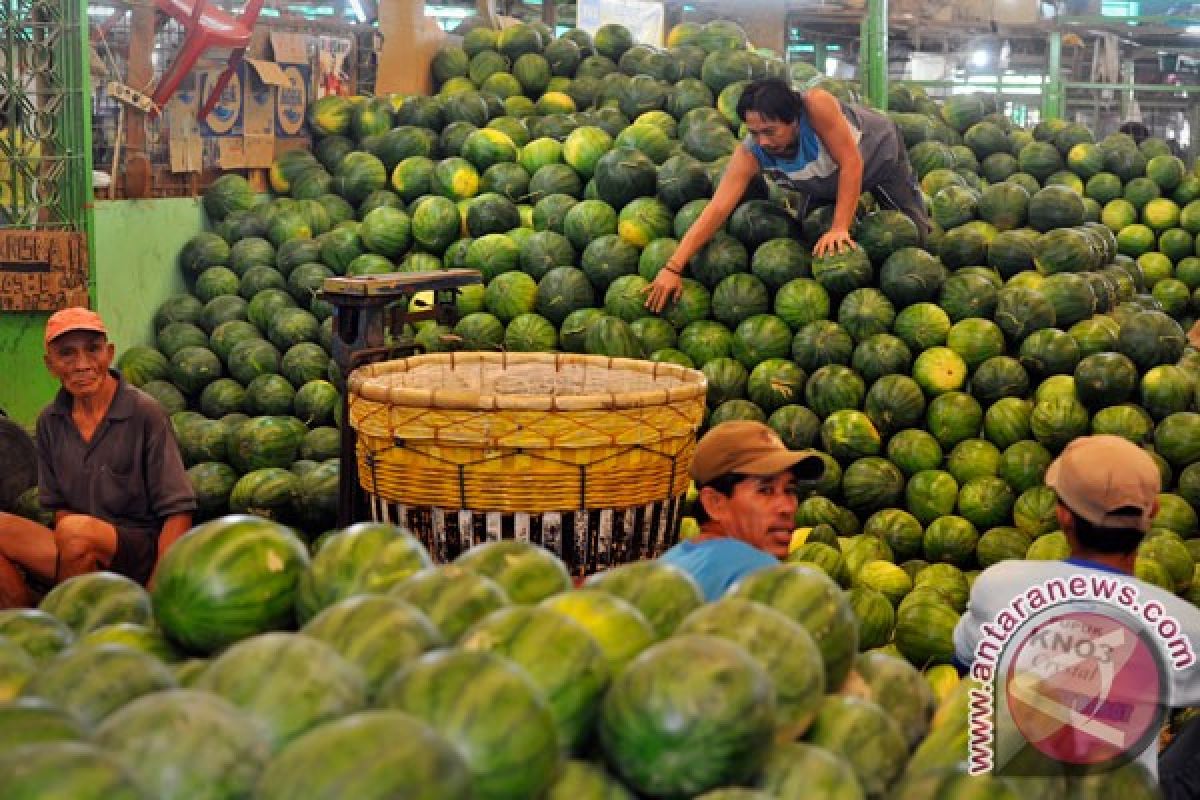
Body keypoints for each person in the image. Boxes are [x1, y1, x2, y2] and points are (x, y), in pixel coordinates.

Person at [952, 435, 1200, 787]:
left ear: (1062, 516)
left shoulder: (997, 586)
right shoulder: (1185, 627)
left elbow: (963, 667)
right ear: (1154, 514)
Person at [645, 78, 930, 313]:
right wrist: (673, 266)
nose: (763, 141)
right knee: (813, 244)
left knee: (913, 234)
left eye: (770, 131)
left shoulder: (817, 105)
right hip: (820, 181)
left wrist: (840, 227)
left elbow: (851, 164)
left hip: (877, 154)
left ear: (793, 120)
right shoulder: (750, 152)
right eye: (754, 132)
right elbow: (718, 208)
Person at [0, 308, 196, 606]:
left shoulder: (145, 413)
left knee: (76, 532)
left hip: (137, 552)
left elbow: (178, 513)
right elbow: (60, 510)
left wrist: (158, 588)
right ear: (50, 364)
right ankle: (28, 620)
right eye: (67, 354)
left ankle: (68, 625)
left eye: (93, 350)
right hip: (77, 544)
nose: (82, 364)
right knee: (65, 531)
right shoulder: (50, 421)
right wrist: (74, 550)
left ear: (110, 353)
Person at [659, 420, 825, 600]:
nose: (788, 507)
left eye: (789, 490)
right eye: (765, 490)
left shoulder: (668, 565)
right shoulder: (760, 576)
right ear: (714, 503)